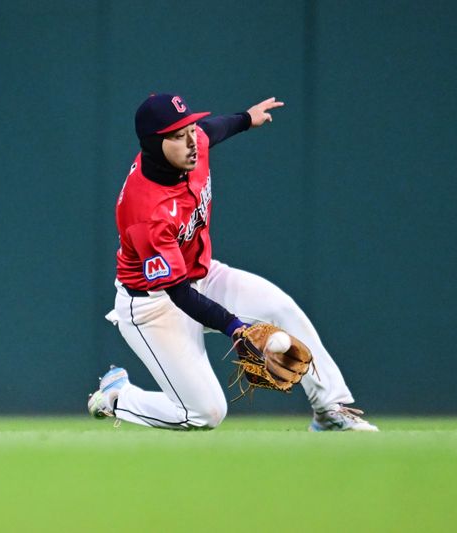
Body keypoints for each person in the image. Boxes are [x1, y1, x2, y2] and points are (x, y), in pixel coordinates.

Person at [88, 93, 377, 432]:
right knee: (204, 415)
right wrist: (234, 328)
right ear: (154, 144)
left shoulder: (192, 149)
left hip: (203, 276)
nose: (192, 141)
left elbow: (212, 129)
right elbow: (178, 294)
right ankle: (118, 398)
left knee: (281, 308)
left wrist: (245, 118)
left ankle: (330, 410)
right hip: (153, 306)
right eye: (179, 136)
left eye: (190, 129)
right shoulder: (145, 212)